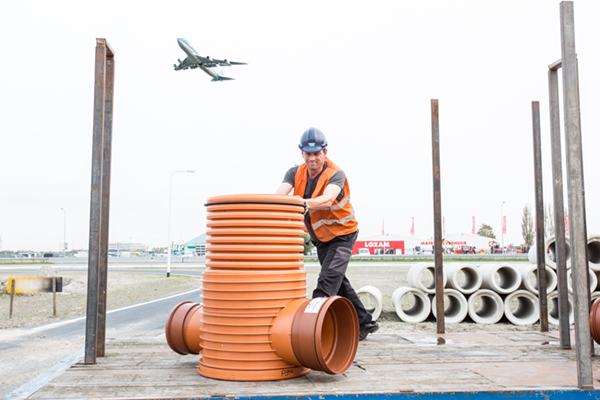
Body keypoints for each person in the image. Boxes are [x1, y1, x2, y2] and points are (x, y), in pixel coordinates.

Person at [275, 127, 380, 341]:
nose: (312, 158)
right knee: (339, 281)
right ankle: (365, 322)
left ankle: (309, 331)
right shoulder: (294, 173)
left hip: (343, 235)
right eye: (308, 153)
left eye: (317, 153)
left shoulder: (335, 174)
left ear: (325, 152)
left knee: (327, 281)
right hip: (321, 238)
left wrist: (302, 203)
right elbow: (279, 196)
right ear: (302, 153)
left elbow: (328, 198)